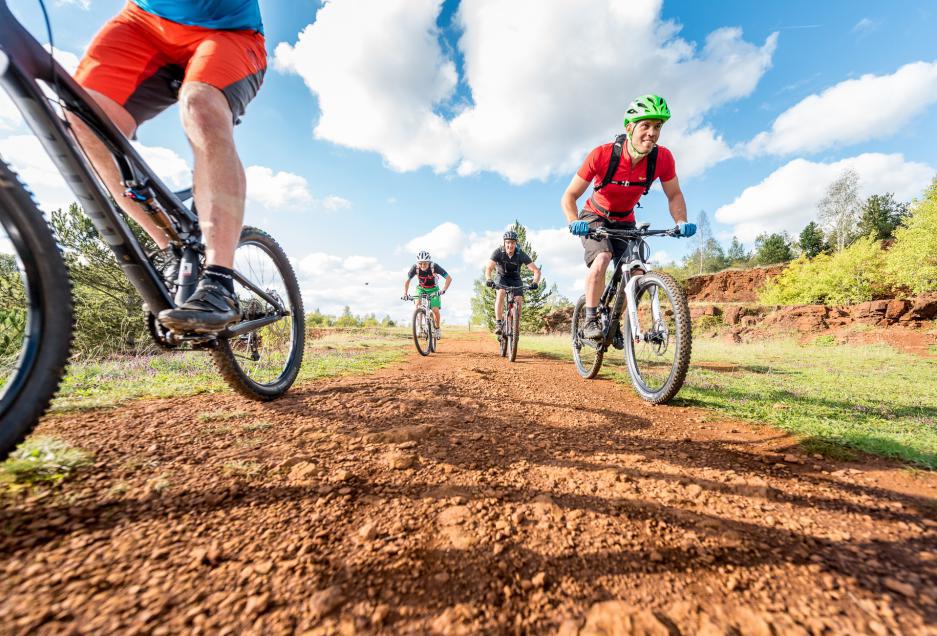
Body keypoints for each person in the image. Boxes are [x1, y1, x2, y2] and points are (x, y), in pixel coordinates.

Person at [69, 0, 266, 333]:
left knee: (201, 105)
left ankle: (219, 279)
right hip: (144, 23)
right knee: (81, 119)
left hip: (229, 32)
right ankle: (169, 252)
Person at [560, 94, 696, 340]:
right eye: (645, 125)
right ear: (629, 127)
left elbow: (674, 194)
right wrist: (574, 222)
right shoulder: (602, 155)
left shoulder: (662, 158)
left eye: (657, 127)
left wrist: (681, 222)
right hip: (595, 216)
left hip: (625, 220)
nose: (652, 133)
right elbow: (569, 196)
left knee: (637, 274)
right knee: (602, 257)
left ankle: (614, 323)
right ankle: (591, 319)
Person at [484, 230, 542, 336]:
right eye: (508, 242)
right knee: (501, 292)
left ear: (516, 244)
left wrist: (535, 282)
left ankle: (515, 326)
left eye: (513, 243)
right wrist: (489, 279)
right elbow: (489, 268)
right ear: (504, 243)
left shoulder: (520, 254)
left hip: (515, 279)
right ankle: (498, 323)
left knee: (519, 300)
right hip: (501, 277)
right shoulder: (498, 252)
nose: (510, 245)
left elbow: (536, 271)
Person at [403, 251, 452, 340]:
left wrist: (443, 290)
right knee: (417, 304)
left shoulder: (434, 266)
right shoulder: (415, 268)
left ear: (429, 262)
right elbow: (407, 281)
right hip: (421, 288)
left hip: (434, 289)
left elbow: (449, 278)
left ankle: (437, 328)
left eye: (425, 263)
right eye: (420, 263)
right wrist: (405, 294)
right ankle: (419, 326)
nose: (422, 266)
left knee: (434, 309)